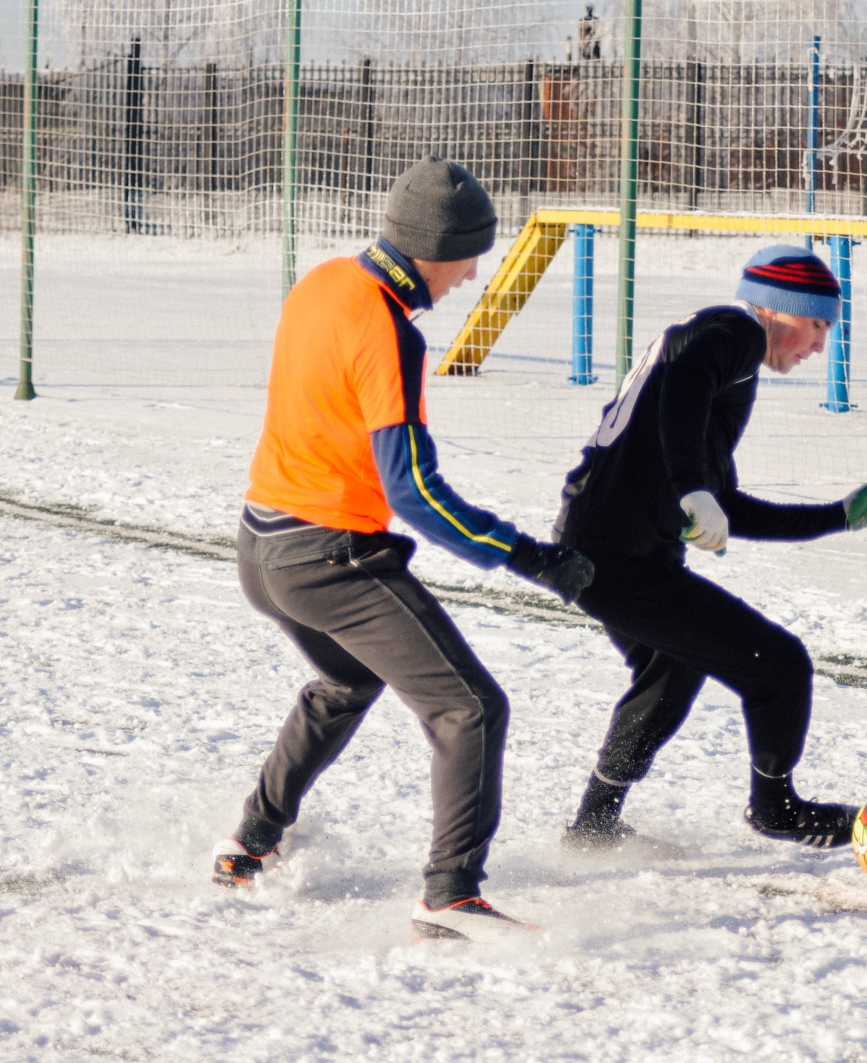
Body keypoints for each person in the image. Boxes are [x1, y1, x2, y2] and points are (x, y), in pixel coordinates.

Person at [212, 156, 594, 943]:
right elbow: (414, 491)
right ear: (436, 248)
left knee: (346, 680)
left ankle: (249, 840)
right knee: (471, 707)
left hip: (260, 546)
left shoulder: (323, 280)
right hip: (328, 558)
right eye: (471, 256)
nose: (473, 274)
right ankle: (450, 893)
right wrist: (533, 557)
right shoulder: (388, 332)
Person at [554, 245, 867, 853]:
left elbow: (728, 504)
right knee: (778, 665)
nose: (820, 346)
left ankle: (594, 826)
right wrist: (692, 489)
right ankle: (775, 807)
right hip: (613, 558)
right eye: (818, 325)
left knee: (673, 667)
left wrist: (838, 517)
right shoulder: (734, 332)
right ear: (778, 311)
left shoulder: (727, 358)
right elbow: (687, 383)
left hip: (605, 551)